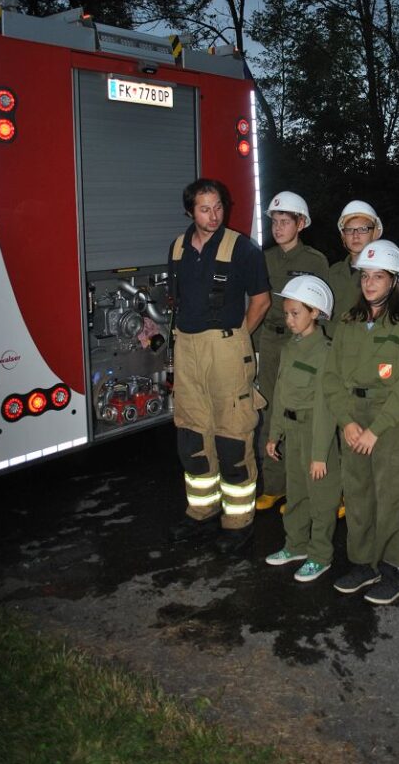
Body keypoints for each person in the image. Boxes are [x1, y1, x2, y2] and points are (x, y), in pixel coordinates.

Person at [168, 178, 270, 554]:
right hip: (187, 350)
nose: (213, 216)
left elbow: (260, 301)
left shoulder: (243, 248)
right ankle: (202, 510)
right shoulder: (178, 248)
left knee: (232, 435)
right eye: (204, 209)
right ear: (190, 212)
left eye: (218, 207)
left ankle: (238, 522)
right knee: (192, 434)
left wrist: (238, 336)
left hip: (226, 347)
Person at [323, 241, 399, 605]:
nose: (369, 283)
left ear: (394, 281)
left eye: (378, 276)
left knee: (391, 494)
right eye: (365, 276)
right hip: (352, 416)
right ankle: (364, 563)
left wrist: (376, 429)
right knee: (359, 493)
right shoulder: (348, 322)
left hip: (387, 420)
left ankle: (395, 569)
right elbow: (331, 377)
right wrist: (346, 422)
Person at [264, 275, 341, 582]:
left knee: (321, 498)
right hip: (292, 431)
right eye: (287, 313)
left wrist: (320, 454)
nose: (289, 319)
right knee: (295, 493)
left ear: (315, 312)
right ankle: (295, 545)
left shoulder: (324, 352)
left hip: (314, 432)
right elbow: (281, 394)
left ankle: (320, 555)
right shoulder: (290, 348)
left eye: (296, 313)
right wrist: (274, 434)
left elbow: (326, 407)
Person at [256, 191, 329, 510]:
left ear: (301, 224)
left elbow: (324, 307)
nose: (278, 227)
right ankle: (274, 485)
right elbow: (256, 302)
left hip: (302, 343)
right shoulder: (264, 258)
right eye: (274, 221)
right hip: (271, 342)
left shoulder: (314, 260)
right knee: (272, 411)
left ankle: (303, 488)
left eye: (285, 221)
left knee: (304, 413)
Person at [326, 200, 383, 339]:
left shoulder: (385, 274)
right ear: (343, 236)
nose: (355, 235)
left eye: (363, 229)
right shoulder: (333, 272)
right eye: (349, 230)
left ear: (375, 233)